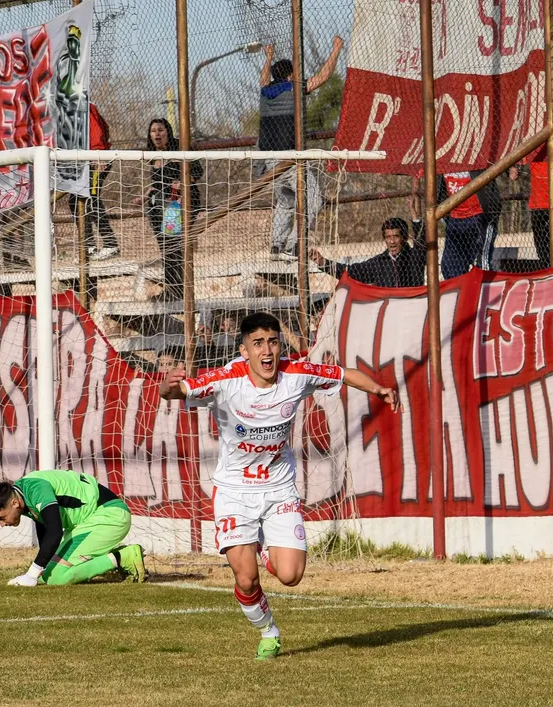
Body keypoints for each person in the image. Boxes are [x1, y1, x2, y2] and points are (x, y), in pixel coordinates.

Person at [158, 311, 399, 660]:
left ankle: (264, 549)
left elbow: (343, 374)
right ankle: (268, 631)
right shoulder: (227, 380)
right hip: (235, 491)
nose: (267, 350)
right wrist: (168, 384)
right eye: (257, 343)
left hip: (279, 488)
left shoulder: (296, 373)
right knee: (246, 580)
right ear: (244, 351)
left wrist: (377, 388)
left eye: (272, 342)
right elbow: (175, 392)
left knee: (291, 575)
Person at [0, 469, 145, 586]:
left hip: (110, 515)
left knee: (56, 577)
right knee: (47, 575)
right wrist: (40, 569)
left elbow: (54, 531)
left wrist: (31, 574)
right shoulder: (23, 491)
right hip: (94, 519)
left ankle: (124, 556)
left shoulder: (35, 489)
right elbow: (45, 528)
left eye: (1, 518)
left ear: (14, 503)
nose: (2, 524)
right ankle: (114, 558)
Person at [259, 38, 343, 260]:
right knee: (313, 199)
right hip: (288, 157)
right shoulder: (293, 88)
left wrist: (268, 57)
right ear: (290, 76)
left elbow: (263, 79)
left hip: (268, 158)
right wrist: (336, 49)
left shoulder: (266, 91)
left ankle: (276, 246)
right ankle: (294, 245)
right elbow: (323, 77)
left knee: (286, 201)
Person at [140, 118, 204, 300]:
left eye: (160, 130)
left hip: (177, 204)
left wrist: (183, 183)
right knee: (164, 245)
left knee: (173, 244)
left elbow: (197, 172)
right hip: (158, 204)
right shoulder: (154, 155)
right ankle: (171, 288)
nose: (157, 134)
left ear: (168, 132)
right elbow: (158, 183)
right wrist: (145, 195)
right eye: (153, 131)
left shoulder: (180, 148)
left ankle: (179, 290)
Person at [308, 195, 426, 287]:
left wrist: (415, 217)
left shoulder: (414, 257)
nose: (392, 241)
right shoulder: (379, 262)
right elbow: (351, 273)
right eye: (388, 237)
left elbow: (421, 243)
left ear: (404, 237)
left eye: (396, 236)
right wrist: (323, 262)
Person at [69, 103, 119, 261]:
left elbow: (97, 128)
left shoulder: (83, 104)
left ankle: (110, 243)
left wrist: (99, 152)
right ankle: (88, 245)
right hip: (81, 161)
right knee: (74, 200)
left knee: (91, 198)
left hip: (96, 159)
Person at [436, 171, 502, 277]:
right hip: (455, 217)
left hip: (480, 214)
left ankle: (482, 286)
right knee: (449, 265)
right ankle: (460, 287)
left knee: (482, 263)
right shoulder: (442, 162)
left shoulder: (477, 160)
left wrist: (512, 169)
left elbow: (499, 162)